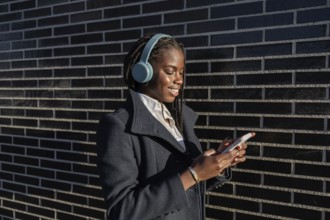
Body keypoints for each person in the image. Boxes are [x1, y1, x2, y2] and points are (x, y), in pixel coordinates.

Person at [96, 33, 248, 220]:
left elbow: (186, 189)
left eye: (181, 72)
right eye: (170, 71)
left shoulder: (179, 118)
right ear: (144, 72)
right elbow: (123, 210)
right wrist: (193, 174)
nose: (179, 80)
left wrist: (216, 165)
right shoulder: (119, 125)